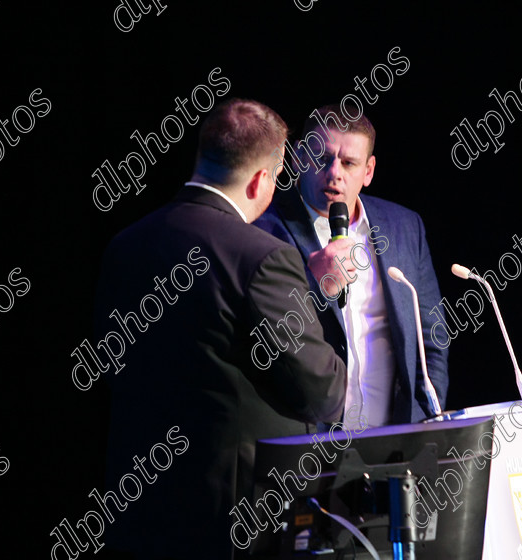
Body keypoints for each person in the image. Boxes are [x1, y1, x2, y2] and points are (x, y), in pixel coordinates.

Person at [95, 99, 346, 560]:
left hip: (138, 511)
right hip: (233, 520)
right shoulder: (261, 257)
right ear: (260, 180)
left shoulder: (124, 245)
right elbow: (322, 390)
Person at [253, 105, 448, 428]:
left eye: (349, 163)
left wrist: (422, 422)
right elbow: (264, 341)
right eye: (322, 158)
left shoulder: (404, 227)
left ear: (368, 171)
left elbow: (431, 338)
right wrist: (313, 284)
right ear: (299, 157)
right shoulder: (262, 229)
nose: (334, 173)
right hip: (307, 443)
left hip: (394, 438)